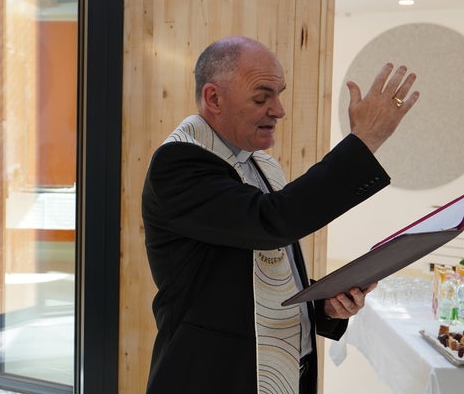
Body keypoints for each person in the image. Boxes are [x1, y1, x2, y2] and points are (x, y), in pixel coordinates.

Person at [141, 35, 420, 393]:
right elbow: (271, 223)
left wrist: (324, 306)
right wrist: (364, 141)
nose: (279, 110)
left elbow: (255, 273)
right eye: (262, 98)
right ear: (214, 98)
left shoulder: (259, 164)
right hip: (215, 375)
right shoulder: (179, 163)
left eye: (279, 95)